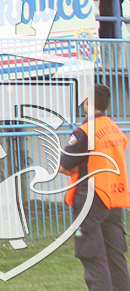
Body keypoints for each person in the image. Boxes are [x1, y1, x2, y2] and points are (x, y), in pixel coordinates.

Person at [59, 83, 130, 291]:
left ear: (88, 102)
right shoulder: (115, 129)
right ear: (107, 104)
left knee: (92, 257)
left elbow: (64, 164)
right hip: (113, 197)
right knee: (115, 257)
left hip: (89, 198)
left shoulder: (85, 131)